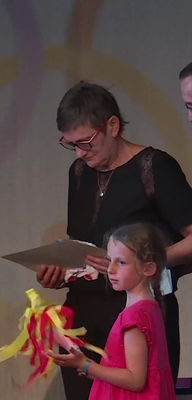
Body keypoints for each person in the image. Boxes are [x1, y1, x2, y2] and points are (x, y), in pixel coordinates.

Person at [36, 81, 192, 399]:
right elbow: (84, 244)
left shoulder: (154, 167)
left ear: (112, 125)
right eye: (71, 145)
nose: (80, 153)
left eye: (86, 142)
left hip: (138, 315)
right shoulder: (79, 172)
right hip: (84, 315)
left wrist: (141, 261)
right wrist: (61, 269)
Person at [48, 223, 176, 399]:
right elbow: (126, 368)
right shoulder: (149, 307)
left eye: (121, 262)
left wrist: (86, 365)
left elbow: (135, 380)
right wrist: (93, 369)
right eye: (109, 260)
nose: (111, 269)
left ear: (148, 268)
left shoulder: (134, 317)